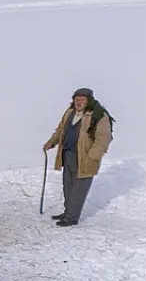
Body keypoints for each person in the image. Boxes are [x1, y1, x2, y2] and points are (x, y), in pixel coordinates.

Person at [43, 87, 114, 226]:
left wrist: (92, 157)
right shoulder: (70, 112)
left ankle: (71, 218)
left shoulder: (99, 116)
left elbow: (103, 140)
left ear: (89, 101)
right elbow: (61, 130)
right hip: (68, 154)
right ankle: (68, 211)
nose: (79, 102)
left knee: (79, 189)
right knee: (68, 186)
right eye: (76, 99)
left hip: (86, 157)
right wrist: (51, 142)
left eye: (82, 100)